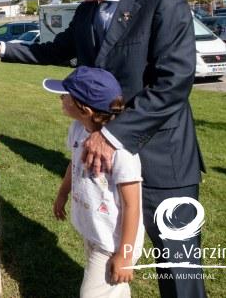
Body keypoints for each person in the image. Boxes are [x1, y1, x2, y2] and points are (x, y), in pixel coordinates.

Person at [0, 0, 205, 297]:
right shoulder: (86, 13)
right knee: (112, 255)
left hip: (163, 158)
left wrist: (110, 136)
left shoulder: (163, 3)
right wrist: (1, 48)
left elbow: (173, 85)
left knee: (179, 269)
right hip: (107, 164)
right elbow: (54, 50)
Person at [46, 67, 143, 298]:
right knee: (113, 290)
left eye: (66, 95)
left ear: (86, 110)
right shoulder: (78, 129)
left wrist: (125, 255)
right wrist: (62, 193)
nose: (61, 97)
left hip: (114, 242)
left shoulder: (122, 153)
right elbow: (74, 163)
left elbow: (133, 205)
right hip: (95, 230)